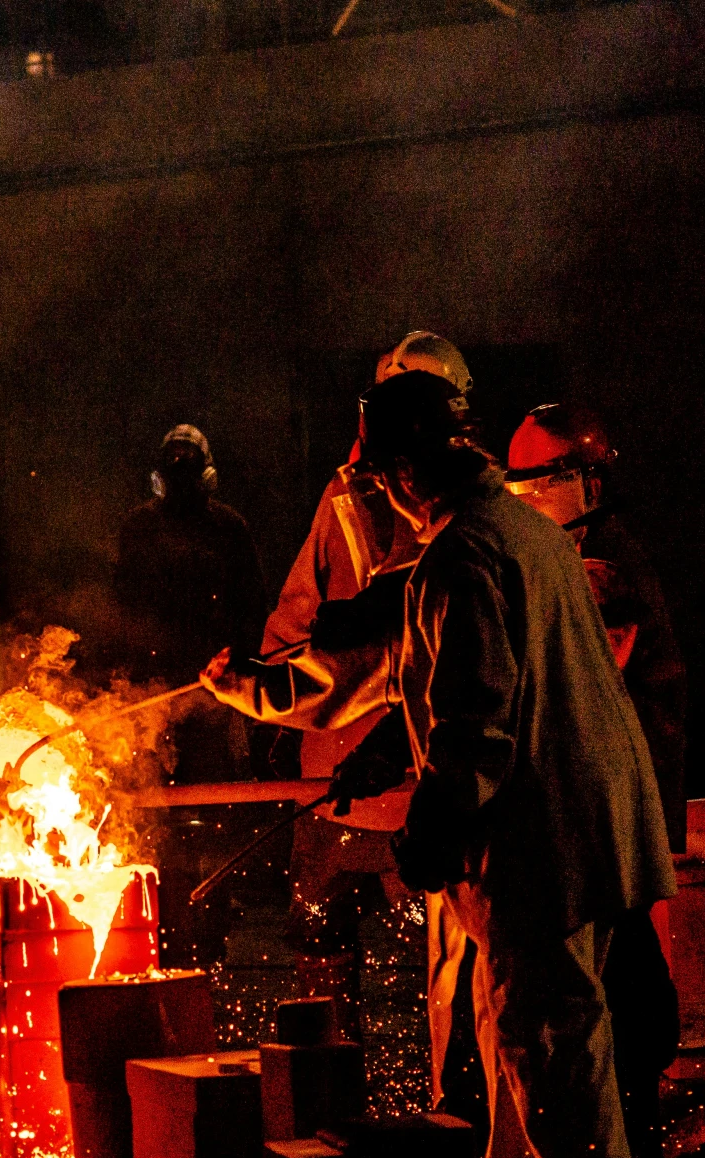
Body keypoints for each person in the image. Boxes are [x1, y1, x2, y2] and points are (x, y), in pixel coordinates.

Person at [330, 371, 675, 1158]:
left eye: (383, 478)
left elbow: (479, 722)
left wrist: (430, 833)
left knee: (553, 1046)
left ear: (405, 469)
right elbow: (483, 683)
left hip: (542, 837)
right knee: (548, 1041)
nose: (385, 495)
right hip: (587, 820)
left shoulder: (463, 555)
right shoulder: (521, 530)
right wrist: (386, 752)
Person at [250, 332, 483, 1111]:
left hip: (415, 766)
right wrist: (277, 682)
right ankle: (342, 1107)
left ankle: (447, 1109)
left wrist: (272, 691)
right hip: (347, 769)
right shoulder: (353, 496)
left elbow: (413, 647)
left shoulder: (475, 518)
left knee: (448, 954)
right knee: (331, 945)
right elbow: (297, 622)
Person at [503, 404, 687, 1158]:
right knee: (613, 991)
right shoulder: (575, 552)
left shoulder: (603, 565)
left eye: (539, 481)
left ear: (587, 479)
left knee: (621, 999)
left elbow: (575, 681)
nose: (525, 497)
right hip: (605, 804)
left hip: (609, 806)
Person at [108, 424, 267, 962]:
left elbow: (251, 607)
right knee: (157, 814)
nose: (179, 474)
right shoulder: (140, 528)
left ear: (205, 471)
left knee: (212, 812)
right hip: (155, 697)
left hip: (211, 693)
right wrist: (126, 682)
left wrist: (240, 675)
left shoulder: (228, 528)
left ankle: (210, 923)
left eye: (186, 462)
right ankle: (166, 923)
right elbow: (122, 606)